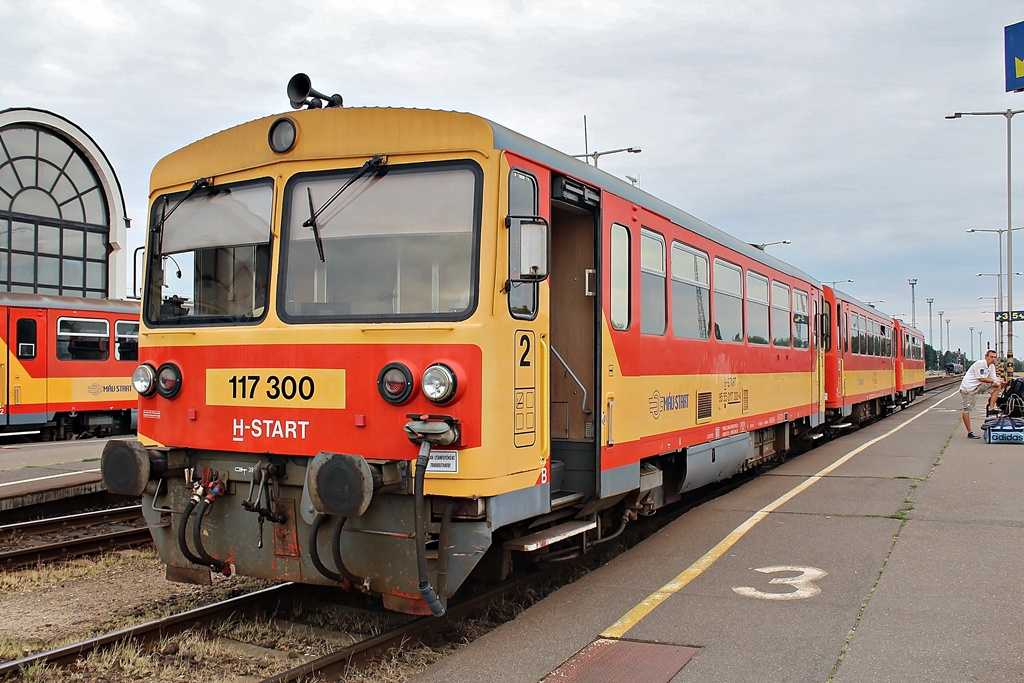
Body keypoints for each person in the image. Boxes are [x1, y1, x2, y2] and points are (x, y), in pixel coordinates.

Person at [960, 349, 1002, 439]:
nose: (993, 359)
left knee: (997, 387)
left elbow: (993, 378)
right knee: (967, 409)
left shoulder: (991, 367)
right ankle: (970, 432)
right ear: (986, 357)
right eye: (991, 357)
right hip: (969, 388)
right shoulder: (980, 364)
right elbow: (981, 378)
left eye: (995, 357)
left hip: (979, 386)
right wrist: (995, 381)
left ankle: (991, 408)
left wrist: (997, 382)